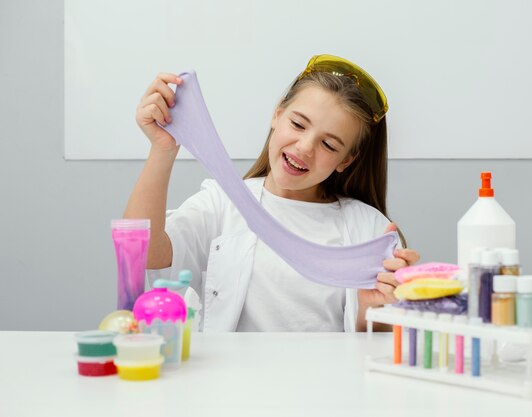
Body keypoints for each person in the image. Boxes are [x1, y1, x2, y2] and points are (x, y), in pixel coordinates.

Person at [125, 55, 420, 332]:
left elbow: (373, 344)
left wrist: (378, 312)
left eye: (329, 145)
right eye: (297, 124)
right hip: (229, 384)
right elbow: (142, 254)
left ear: (346, 160)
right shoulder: (223, 203)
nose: (304, 147)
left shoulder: (370, 230)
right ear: (277, 115)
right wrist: (162, 151)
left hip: (326, 384)